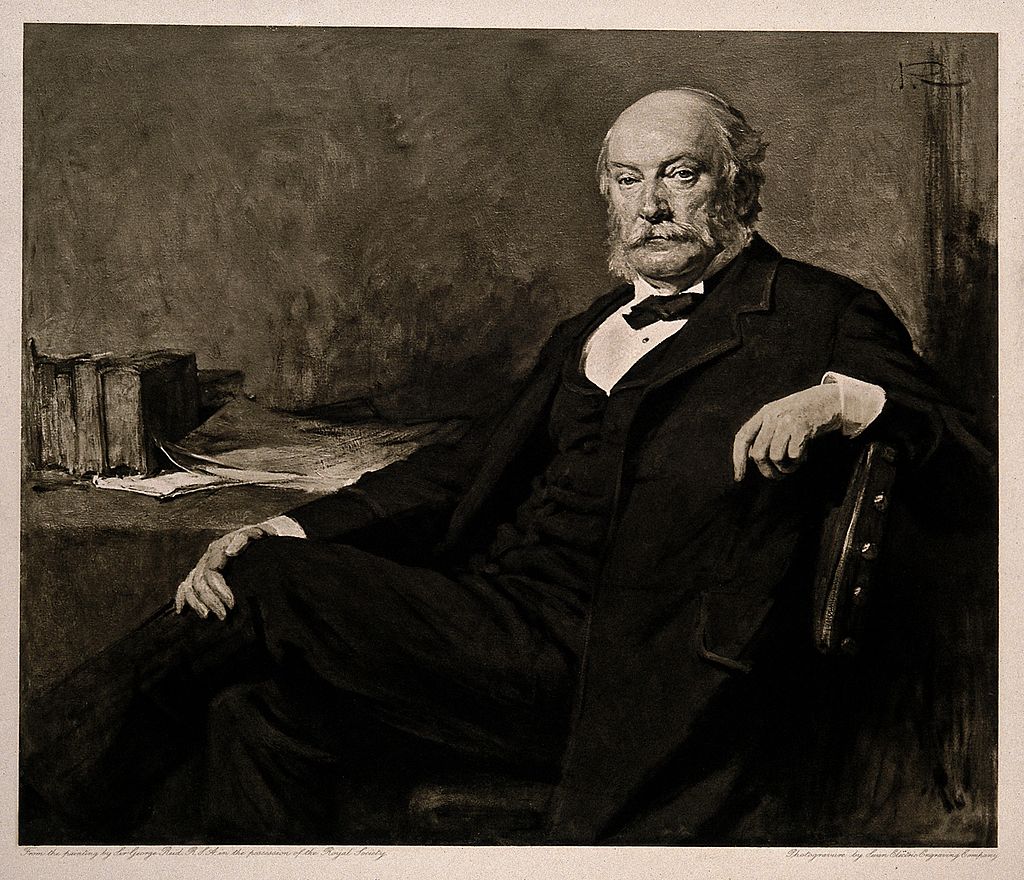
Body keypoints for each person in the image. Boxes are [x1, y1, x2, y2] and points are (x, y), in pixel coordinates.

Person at [21, 87, 988, 845]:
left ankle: (33, 792)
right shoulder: (587, 331)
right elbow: (457, 474)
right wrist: (285, 523)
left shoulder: (816, 314)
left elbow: (983, 470)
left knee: (267, 591)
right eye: (626, 179)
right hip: (489, 630)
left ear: (740, 188)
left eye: (680, 175)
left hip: (620, 667)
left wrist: (851, 401)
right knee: (255, 712)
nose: (650, 205)